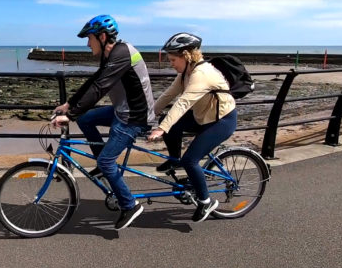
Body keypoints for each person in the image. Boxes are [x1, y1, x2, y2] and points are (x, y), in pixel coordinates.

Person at [52, 14, 156, 230]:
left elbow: (100, 89)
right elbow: (94, 81)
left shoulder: (122, 53)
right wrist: (70, 105)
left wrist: (68, 116)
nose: (87, 44)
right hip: (122, 111)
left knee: (108, 162)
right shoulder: (109, 55)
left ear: (101, 36)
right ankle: (102, 163)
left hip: (135, 117)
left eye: (89, 39)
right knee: (86, 118)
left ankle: (130, 205)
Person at [147, 32, 237, 222]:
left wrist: (161, 128)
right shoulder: (185, 73)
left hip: (222, 121)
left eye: (173, 59)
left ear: (186, 56)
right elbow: (167, 96)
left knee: (190, 161)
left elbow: (182, 104)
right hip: (202, 117)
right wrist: (148, 117)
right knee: (170, 123)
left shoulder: (201, 74)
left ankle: (206, 202)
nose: (171, 63)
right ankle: (173, 159)